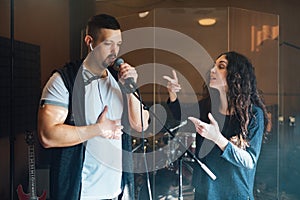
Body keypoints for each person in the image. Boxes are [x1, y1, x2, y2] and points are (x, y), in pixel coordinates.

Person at [37, 14, 149, 200]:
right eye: (108, 44)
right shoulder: (65, 81)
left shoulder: (119, 82)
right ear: (90, 41)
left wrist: (130, 88)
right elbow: (47, 136)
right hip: (82, 194)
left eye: (118, 44)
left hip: (118, 193)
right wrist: (98, 129)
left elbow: (140, 126)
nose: (115, 51)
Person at [164, 51, 269, 200]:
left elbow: (249, 161)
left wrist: (217, 137)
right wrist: (173, 94)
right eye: (214, 66)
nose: (212, 70)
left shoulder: (253, 114)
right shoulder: (208, 107)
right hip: (204, 192)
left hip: (235, 194)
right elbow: (180, 114)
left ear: (236, 74)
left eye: (221, 66)